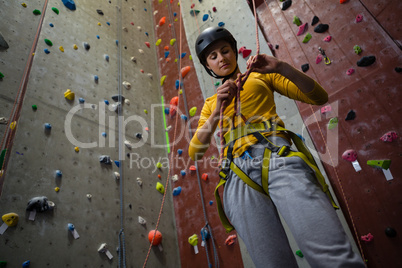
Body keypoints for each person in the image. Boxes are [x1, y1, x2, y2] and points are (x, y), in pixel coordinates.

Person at [189, 27, 365, 268]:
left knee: (330, 252)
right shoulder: (211, 103)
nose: (221, 58)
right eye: (213, 56)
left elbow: (319, 98)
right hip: (235, 174)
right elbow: (195, 152)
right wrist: (217, 111)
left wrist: (281, 67)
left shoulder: (261, 75)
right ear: (208, 65)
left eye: (225, 51)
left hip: (275, 155)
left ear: (234, 51)